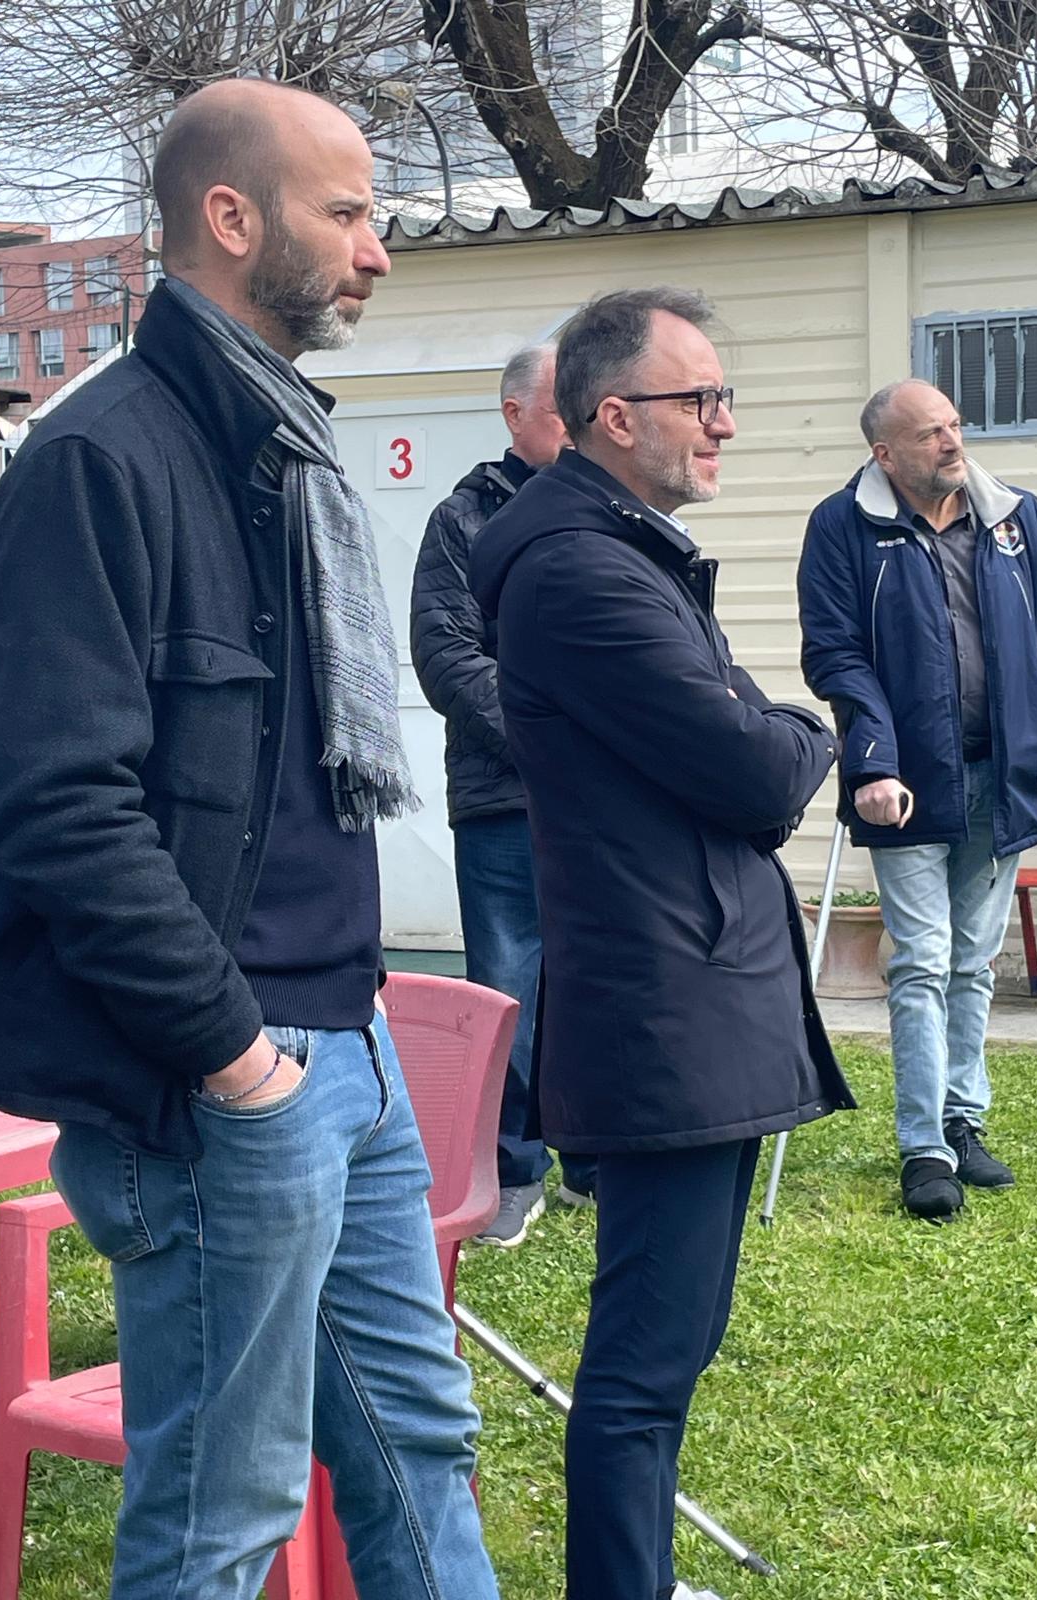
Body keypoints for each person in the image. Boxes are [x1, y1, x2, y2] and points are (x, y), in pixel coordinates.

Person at [0, 80, 499, 1600]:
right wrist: (237, 1061)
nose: (376, 250)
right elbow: (55, 805)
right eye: (347, 213)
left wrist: (328, 1042)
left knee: (420, 1444)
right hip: (226, 1077)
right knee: (224, 1514)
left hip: (348, 1041)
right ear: (230, 217)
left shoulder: (284, 448)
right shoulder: (101, 458)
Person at [468, 286, 855, 1600]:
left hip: (694, 992)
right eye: (703, 399)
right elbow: (756, 766)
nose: (725, 424)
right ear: (615, 415)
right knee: (642, 1368)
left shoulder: (625, 555)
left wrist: (767, 727)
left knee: (669, 1353)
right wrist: (801, 731)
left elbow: (741, 737)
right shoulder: (579, 574)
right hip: (665, 1009)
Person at [797, 379, 1037, 1223]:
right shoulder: (842, 526)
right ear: (884, 453)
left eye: (955, 425)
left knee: (972, 962)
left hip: (1001, 775)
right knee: (922, 960)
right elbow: (835, 654)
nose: (953, 442)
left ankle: (965, 1121)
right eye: (931, 433)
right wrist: (872, 761)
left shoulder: (1014, 518)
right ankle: (925, 1147)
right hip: (904, 782)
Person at [411, 344, 596, 1246]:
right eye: (564, 406)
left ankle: (595, 1159)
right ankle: (512, 1172)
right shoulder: (464, 521)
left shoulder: (612, 511)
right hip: (505, 797)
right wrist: (550, 738)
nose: (584, 420)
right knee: (509, 986)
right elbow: (447, 656)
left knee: (600, 979)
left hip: (606, 800)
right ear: (515, 415)